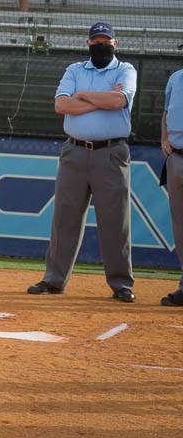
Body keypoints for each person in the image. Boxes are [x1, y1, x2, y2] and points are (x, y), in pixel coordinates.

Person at [28, 22, 137, 303]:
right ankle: (54, 280)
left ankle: (121, 284)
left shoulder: (126, 70)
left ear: (115, 43)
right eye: (96, 40)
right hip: (74, 151)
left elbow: (118, 102)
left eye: (106, 40)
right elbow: (61, 106)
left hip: (111, 152)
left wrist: (83, 95)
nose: (101, 45)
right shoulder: (75, 69)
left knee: (115, 221)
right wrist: (102, 98)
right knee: (64, 218)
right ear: (88, 43)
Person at [159, 65, 183, 307]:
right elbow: (166, 112)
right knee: (180, 226)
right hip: (176, 157)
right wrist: (164, 137)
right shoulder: (176, 77)